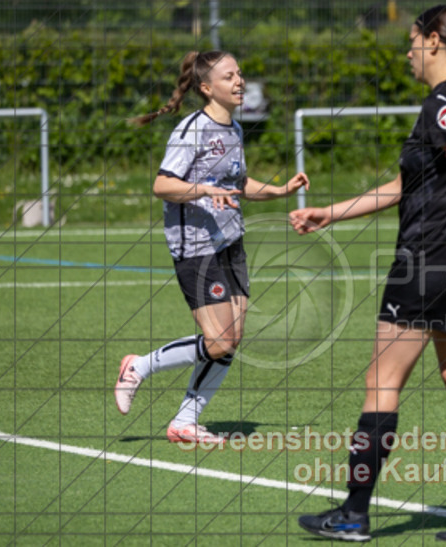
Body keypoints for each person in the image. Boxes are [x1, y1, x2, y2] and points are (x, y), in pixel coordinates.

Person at [289, 5, 446, 542]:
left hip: (430, 261)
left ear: (433, 41)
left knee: (381, 382)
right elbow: (408, 188)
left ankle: (354, 514)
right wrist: (328, 212)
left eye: (412, 40)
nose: (407, 50)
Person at [114, 51, 310, 444]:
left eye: (240, 73)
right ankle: (139, 366)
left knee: (231, 340)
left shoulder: (234, 129)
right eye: (228, 76)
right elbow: (162, 184)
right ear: (207, 88)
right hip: (196, 247)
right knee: (220, 341)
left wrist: (279, 190)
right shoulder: (192, 129)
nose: (239, 81)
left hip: (230, 243)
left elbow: (238, 183)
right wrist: (203, 189)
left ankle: (186, 421)